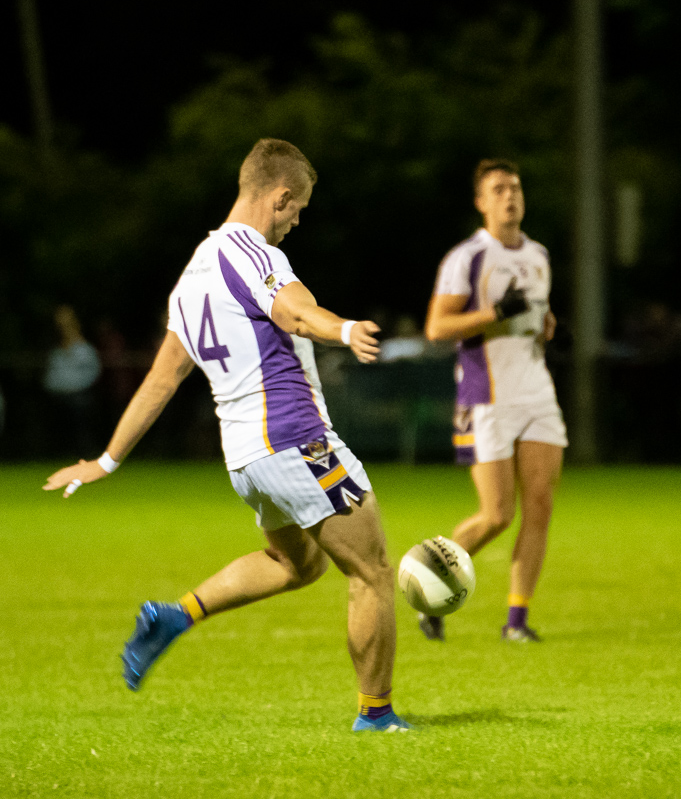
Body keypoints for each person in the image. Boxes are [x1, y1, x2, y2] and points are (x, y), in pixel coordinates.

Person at [43, 138, 408, 733]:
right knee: (372, 571)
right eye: (299, 209)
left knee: (296, 565)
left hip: (245, 460)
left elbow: (161, 380)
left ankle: (174, 616)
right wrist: (342, 330)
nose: (297, 221)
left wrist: (106, 462)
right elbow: (293, 311)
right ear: (280, 195)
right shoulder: (252, 251)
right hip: (296, 440)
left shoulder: (192, 278)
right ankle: (377, 714)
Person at [422, 158, 567, 643]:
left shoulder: (540, 255)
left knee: (540, 505)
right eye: (499, 189)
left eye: (516, 188)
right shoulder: (467, 257)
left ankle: (517, 621)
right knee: (497, 514)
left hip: (536, 390)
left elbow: (539, 320)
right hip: (487, 396)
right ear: (482, 202)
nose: (510, 196)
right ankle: (428, 579)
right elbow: (438, 327)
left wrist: (545, 327)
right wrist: (493, 314)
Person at [43, 305, 102, 458]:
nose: (63, 326)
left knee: (81, 427)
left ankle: (85, 456)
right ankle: (57, 456)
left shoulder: (85, 350)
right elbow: (49, 377)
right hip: (57, 398)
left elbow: (93, 374)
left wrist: (72, 388)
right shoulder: (56, 351)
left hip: (79, 398)